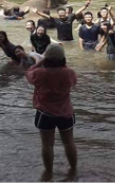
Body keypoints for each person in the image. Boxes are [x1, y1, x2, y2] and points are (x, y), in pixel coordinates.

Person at [25, 44, 78, 174]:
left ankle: (48, 172)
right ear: (62, 57)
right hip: (65, 113)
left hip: (45, 114)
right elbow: (74, 82)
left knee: (47, 144)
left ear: (47, 57)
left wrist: (40, 61)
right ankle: (73, 170)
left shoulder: (39, 73)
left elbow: (28, 73)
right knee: (69, 142)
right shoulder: (68, 72)